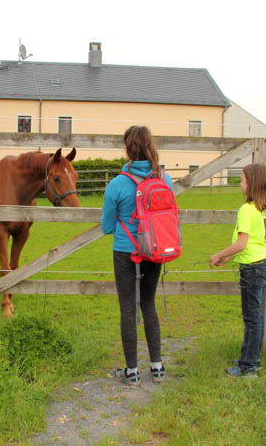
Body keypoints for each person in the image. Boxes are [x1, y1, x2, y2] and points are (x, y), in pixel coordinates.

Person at [101, 126, 173, 386]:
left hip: (126, 251)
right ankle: (157, 367)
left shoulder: (117, 184)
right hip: (155, 249)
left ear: (126, 148)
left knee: (128, 309)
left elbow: (107, 226)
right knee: (149, 305)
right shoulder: (164, 179)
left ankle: (131, 371)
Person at [209, 164, 266, 377]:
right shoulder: (262, 210)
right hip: (262, 263)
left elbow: (242, 243)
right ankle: (253, 359)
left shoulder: (247, 210)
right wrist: (229, 257)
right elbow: (252, 243)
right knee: (257, 315)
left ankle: (247, 366)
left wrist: (219, 254)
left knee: (252, 317)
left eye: (243, 179)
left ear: (252, 182)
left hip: (253, 268)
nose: (240, 183)